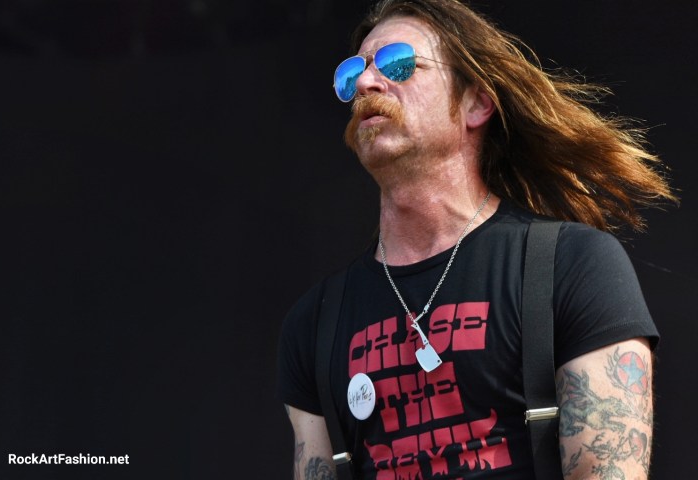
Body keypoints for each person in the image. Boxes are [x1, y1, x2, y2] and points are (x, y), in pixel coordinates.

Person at [277, 0, 676, 478]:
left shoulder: (572, 266)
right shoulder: (316, 323)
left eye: (397, 63)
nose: (365, 83)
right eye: (351, 74)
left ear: (476, 104)